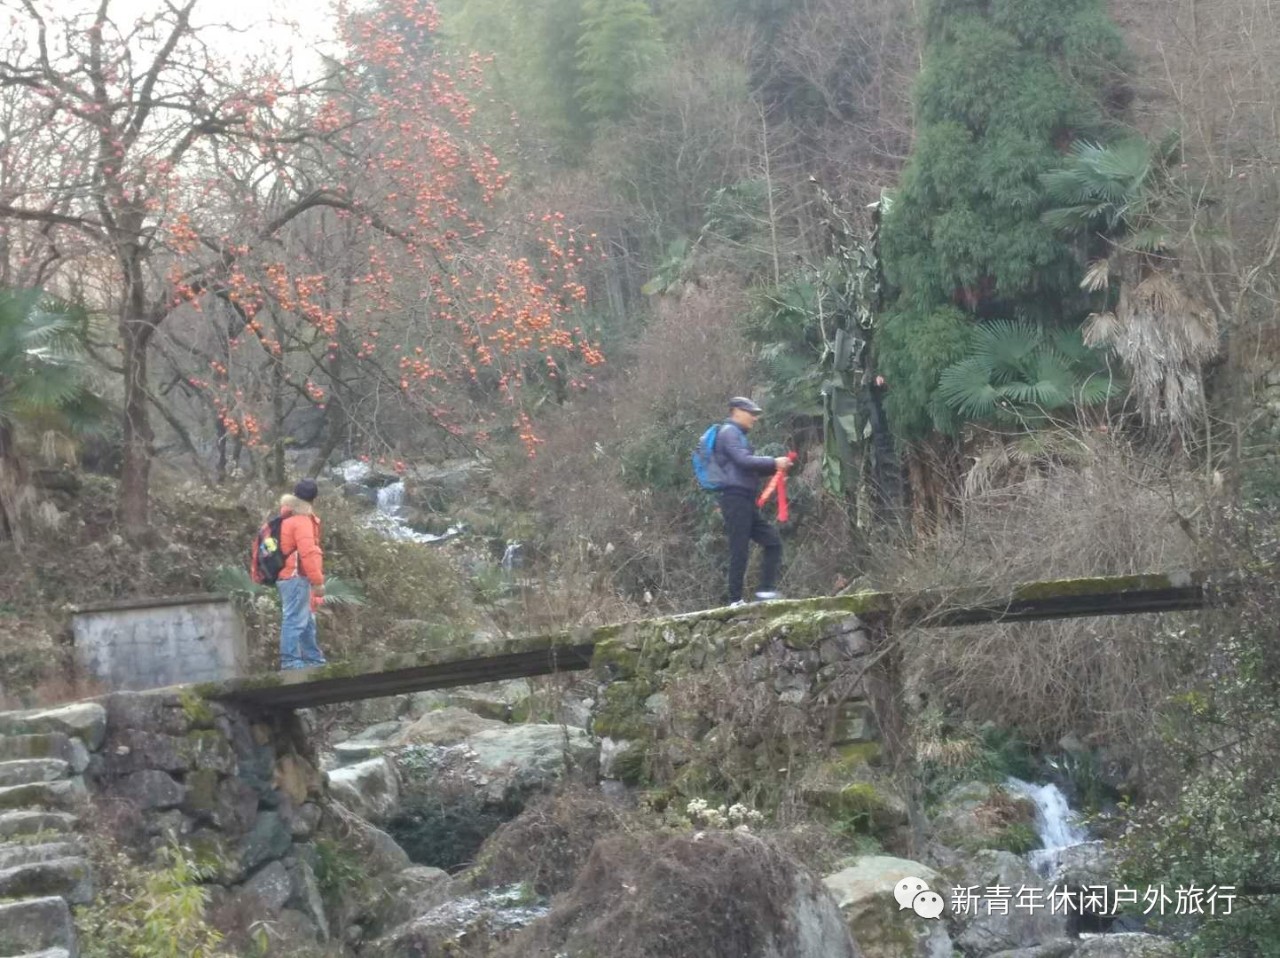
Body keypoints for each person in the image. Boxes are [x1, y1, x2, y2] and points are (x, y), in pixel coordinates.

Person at [713, 397, 793, 606]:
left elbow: (747, 465)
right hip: (734, 497)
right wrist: (774, 462)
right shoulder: (728, 433)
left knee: (772, 542)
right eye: (751, 413)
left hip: (746, 499)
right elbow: (743, 461)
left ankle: (766, 591)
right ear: (736, 411)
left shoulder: (737, 435)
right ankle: (735, 599)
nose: (754, 418)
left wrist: (775, 467)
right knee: (739, 548)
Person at [277, 479, 327, 670]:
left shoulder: (286, 518)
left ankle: (313, 658)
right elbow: (308, 553)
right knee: (294, 619)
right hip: (295, 576)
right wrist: (318, 582)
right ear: (314, 498)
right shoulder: (302, 521)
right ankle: (290, 662)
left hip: (287, 575)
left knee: (305, 620)